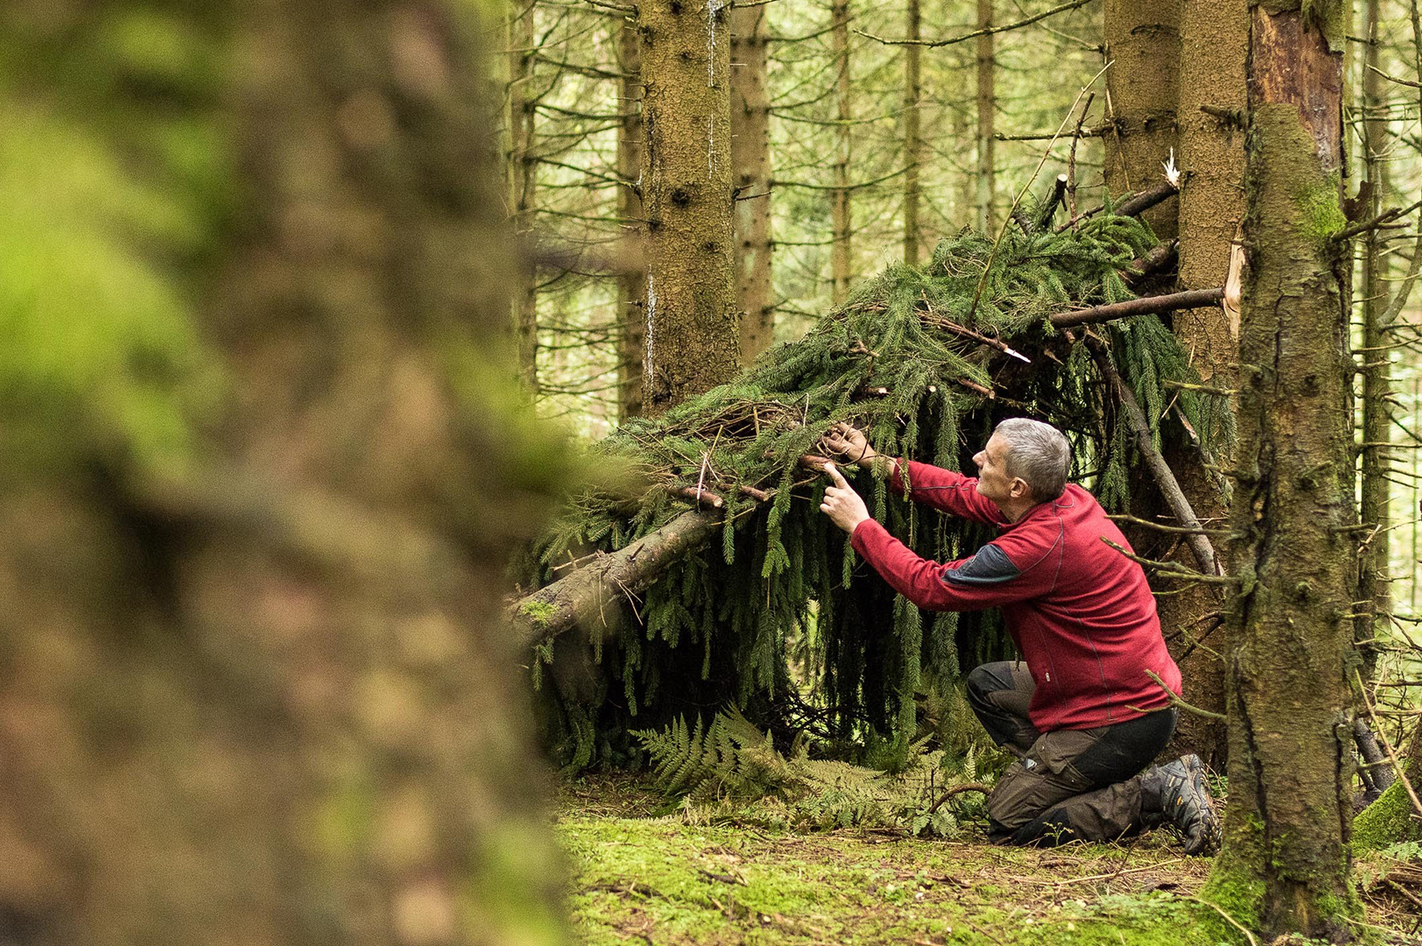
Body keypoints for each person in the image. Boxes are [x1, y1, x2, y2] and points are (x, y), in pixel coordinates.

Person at [817, 417, 1219, 853]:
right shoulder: (1060, 499)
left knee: (1010, 823)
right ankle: (1067, 779)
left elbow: (930, 586)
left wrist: (861, 526)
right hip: (1110, 690)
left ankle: (1153, 793)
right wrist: (876, 462)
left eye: (988, 460)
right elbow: (960, 492)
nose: (976, 460)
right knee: (988, 686)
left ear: (1017, 488)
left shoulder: (1038, 547)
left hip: (1120, 715)